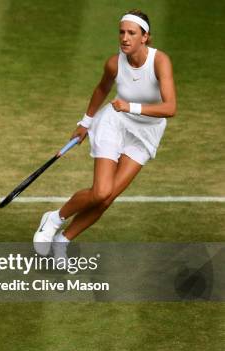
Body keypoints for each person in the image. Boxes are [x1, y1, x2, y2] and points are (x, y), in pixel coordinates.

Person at [33, 9, 176, 262]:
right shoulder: (113, 63)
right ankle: (54, 218)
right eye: (121, 32)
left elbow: (170, 108)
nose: (124, 38)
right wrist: (85, 123)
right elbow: (102, 89)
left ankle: (62, 241)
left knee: (108, 198)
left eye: (131, 33)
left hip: (146, 133)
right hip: (115, 123)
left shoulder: (159, 61)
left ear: (145, 37)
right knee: (100, 191)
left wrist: (130, 106)